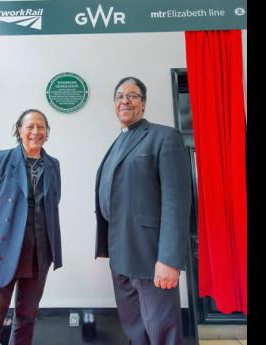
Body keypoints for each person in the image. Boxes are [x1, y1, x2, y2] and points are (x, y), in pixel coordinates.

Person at [95, 77, 191, 345]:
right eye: (119, 96)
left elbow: (176, 201)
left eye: (133, 95)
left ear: (143, 104)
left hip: (151, 258)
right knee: (135, 331)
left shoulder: (164, 137)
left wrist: (169, 259)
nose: (124, 100)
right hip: (120, 257)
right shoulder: (117, 142)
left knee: (162, 332)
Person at [0, 109, 62, 345]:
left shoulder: (53, 165)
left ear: (47, 133)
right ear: (19, 130)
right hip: (1, 252)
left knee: (27, 318)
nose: (35, 131)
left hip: (39, 254)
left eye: (41, 127)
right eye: (29, 126)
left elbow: (53, 204)